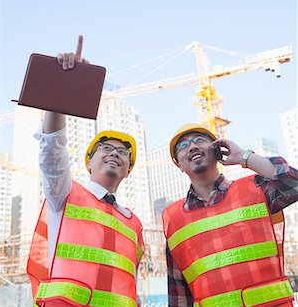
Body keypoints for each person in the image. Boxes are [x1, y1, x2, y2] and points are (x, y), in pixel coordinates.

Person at [27, 36, 145, 307]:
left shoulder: (134, 224)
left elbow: (131, 284)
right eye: (105, 148)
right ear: (89, 162)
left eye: (123, 152)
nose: (115, 153)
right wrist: (65, 88)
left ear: (128, 171)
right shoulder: (64, 194)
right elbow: (52, 147)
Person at [163, 123, 298, 307]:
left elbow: (293, 184)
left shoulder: (256, 188)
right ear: (178, 164)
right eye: (182, 146)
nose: (192, 146)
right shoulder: (173, 218)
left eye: (199, 140)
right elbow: (178, 292)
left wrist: (244, 156)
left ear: (218, 150)